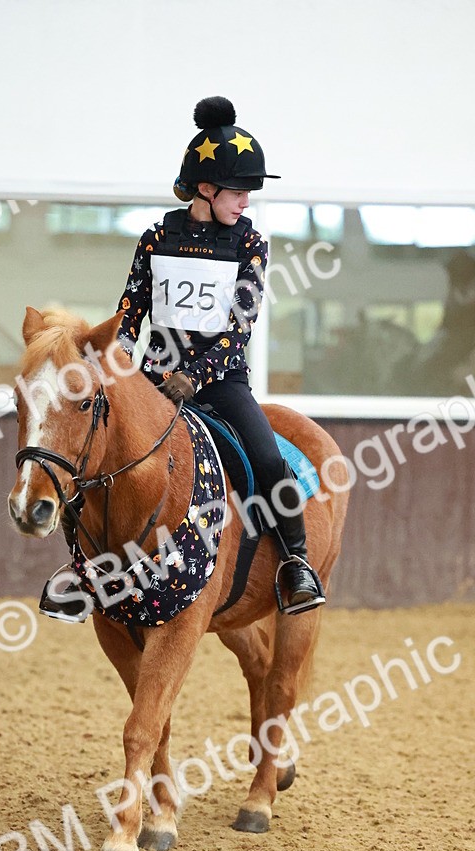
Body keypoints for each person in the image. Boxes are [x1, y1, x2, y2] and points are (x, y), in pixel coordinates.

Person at [116, 95, 325, 615]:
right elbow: (129, 311)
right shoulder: (157, 237)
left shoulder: (250, 243)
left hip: (220, 381)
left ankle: (296, 562)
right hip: (152, 379)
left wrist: (192, 375)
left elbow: (239, 326)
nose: (246, 201)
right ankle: (82, 566)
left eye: (250, 192)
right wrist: (118, 364)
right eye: (239, 190)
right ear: (205, 189)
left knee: (269, 460)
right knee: (98, 448)